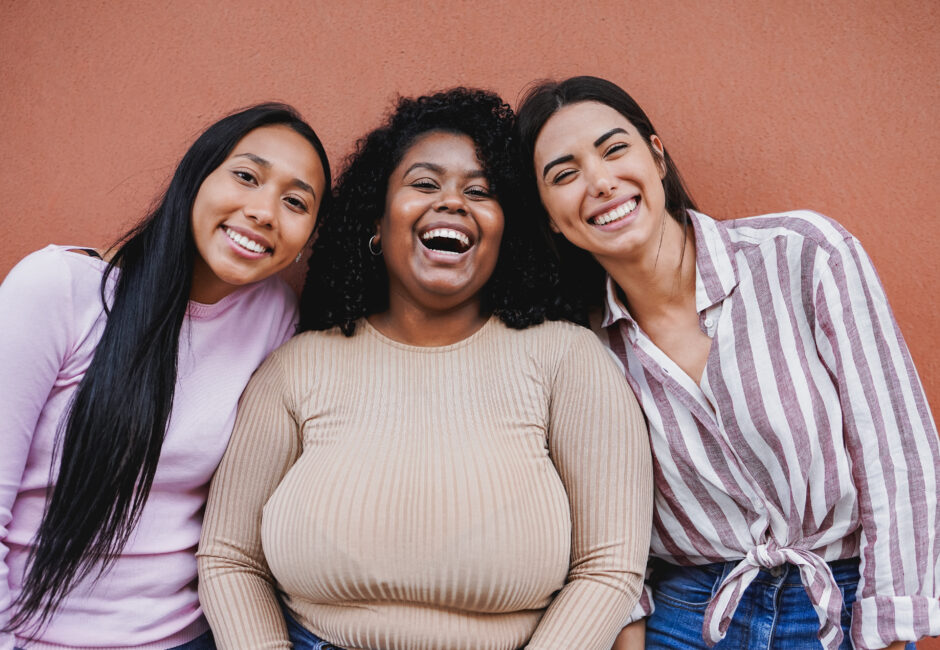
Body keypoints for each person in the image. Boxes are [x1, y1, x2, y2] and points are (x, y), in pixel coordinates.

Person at [197, 88, 653, 650]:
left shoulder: (569, 360)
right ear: (376, 220)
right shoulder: (295, 369)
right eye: (424, 183)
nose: (453, 203)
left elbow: (609, 567)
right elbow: (229, 556)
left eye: (480, 191)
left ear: (506, 229)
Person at [515, 75, 940, 650]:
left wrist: (891, 627)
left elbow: (900, 455)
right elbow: (606, 533)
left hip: (836, 601)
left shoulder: (804, 254)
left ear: (657, 156)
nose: (600, 182)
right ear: (549, 216)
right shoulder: (583, 344)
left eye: (615, 149)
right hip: (691, 612)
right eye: (563, 175)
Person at [0, 103, 331, 650]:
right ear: (195, 177)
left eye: (295, 202)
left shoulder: (274, 317)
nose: (265, 212)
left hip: (187, 638)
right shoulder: (58, 289)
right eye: (246, 176)